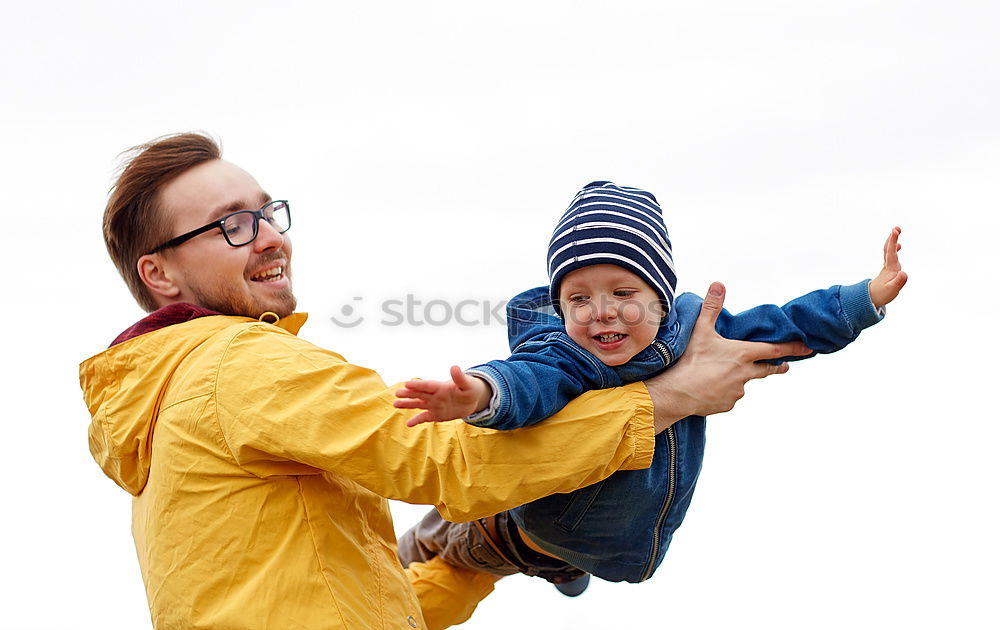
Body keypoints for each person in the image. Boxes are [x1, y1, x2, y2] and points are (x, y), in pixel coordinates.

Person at [81, 135, 810, 630]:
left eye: (267, 212)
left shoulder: (167, 400)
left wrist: (474, 563)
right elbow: (449, 463)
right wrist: (671, 398)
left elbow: (356, 606)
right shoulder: (239, 366)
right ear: (160, 271)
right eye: (230, 225)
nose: (271, 236)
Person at [395, 181, 907, 593]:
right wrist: (479, 393)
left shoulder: (697, 338)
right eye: (578, 298)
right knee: (442, 549)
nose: (601, 311)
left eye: (623, 292)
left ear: (660, 298)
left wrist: (863, 299)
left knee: (569, 559)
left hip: (609, 534)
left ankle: (567, 570)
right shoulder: (568, 354)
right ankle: (418, 551)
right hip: (512, 530)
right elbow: (526, 378)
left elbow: (784, 325)